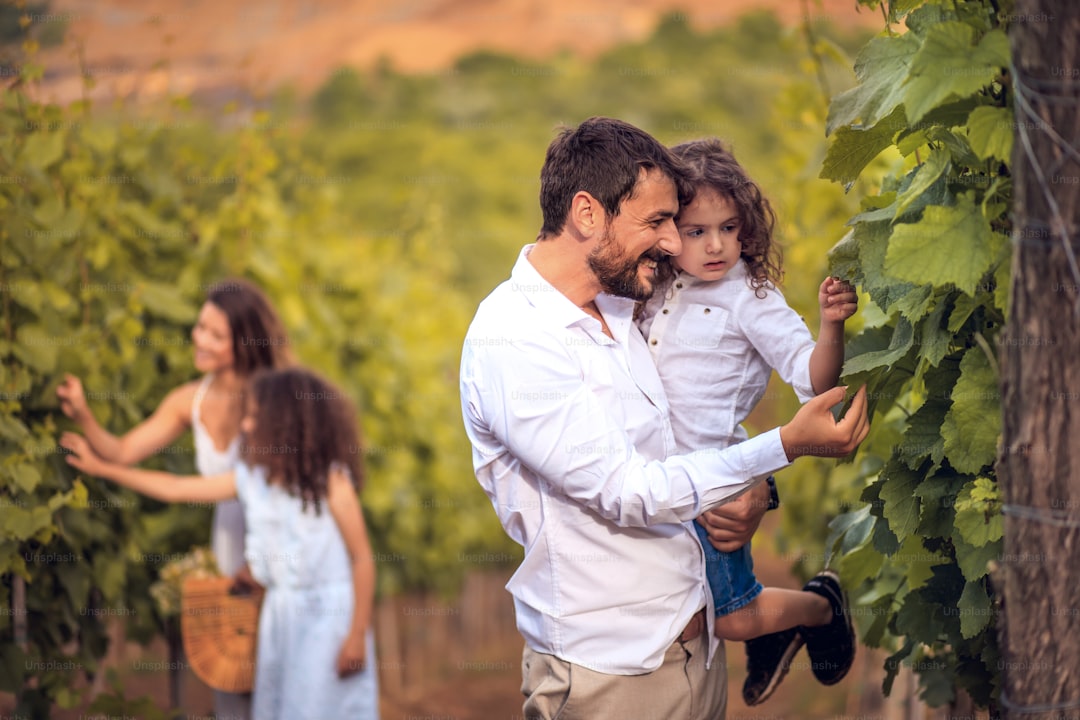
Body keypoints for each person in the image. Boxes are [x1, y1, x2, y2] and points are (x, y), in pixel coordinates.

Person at [458, 116, 869, 720]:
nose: (676, 244)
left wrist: (756, 488)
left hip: (696, 659)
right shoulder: (516, 341)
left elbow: (681, 437)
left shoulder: (629, 305)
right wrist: (783, 446)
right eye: (659, 224)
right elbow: (630, 490)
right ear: (587, 214)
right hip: (613, 678)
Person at [637, 137, 859, 706]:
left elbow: (812, 379)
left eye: (730, 229)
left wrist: (831, 326)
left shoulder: (751, 297)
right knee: (687, 607)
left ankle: (819, 607)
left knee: (731, 617)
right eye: (696, 231)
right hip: (654, 482)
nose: (716, 245)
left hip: (715, 482)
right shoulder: (652, 287)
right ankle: (778, 630)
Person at [61, 367, 379, 720]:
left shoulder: (331, 482)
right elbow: (176, 488)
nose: (245, 426)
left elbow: (362, 558)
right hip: (279, 619)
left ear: (286, 423)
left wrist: (356, 634)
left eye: (256, 417)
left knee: (323, 706)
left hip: (329, 621)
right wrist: (105, 471)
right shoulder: (251, 479)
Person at [55, 278, 292, 719]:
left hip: (277, 543)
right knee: (231, 672)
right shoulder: (190, 399)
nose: (199, 339)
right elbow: (124, 450)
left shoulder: (271, 402)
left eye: (216, 335)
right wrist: (84, 414)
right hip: (228, 543)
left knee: (277, 678)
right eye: (200, 327)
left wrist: (105, 470)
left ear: (245, 343)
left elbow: (194, 488)